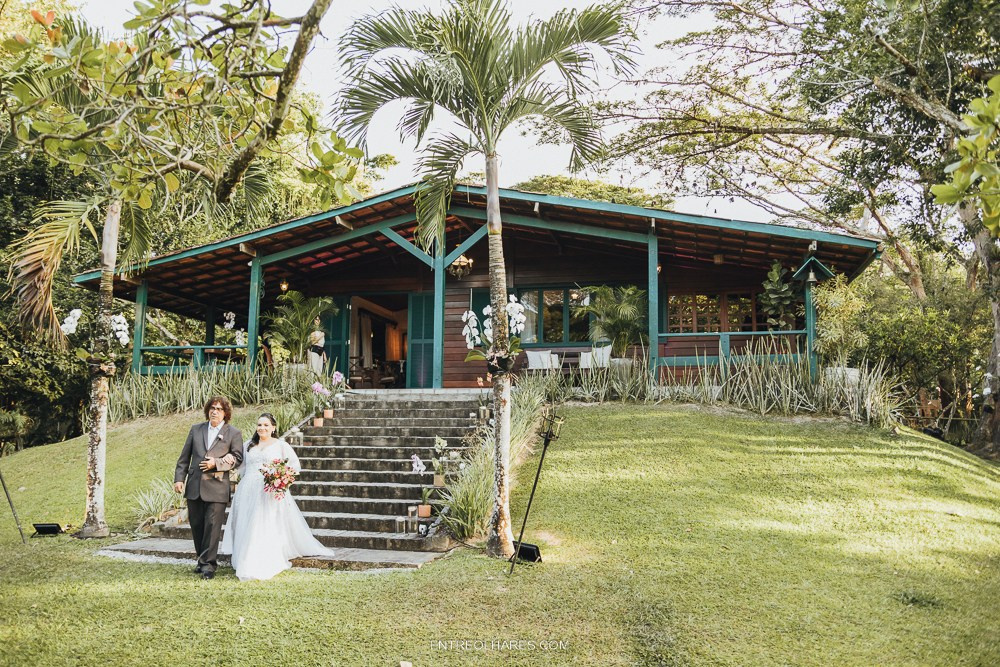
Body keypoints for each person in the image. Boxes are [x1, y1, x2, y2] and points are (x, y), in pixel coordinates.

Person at [221, 412, 334, 581]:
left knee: (261, 523)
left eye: (266, 425)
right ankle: (243, 554)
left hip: (269, 490)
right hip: (247, 489)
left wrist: (280, 479)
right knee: (246, 521)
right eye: (259, 425)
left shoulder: (280, 445)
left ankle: (258, 558)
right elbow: (241, 466)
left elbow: (294, 466)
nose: (262, 428)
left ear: (273, 428)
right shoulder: (248, 445)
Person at [173, 396, 244, 579]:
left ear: (225, 413)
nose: (214, 411)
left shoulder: (233, 433)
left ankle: (209, 565)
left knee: (212, 527)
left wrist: (217, 463)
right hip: (194, 486)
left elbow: (237, 458)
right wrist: (179, 479)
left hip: (217, 487)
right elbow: (184, 457)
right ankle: (202, 559)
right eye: (212, 408)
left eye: (219, 409)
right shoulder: (196, 429)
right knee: (197, 525)